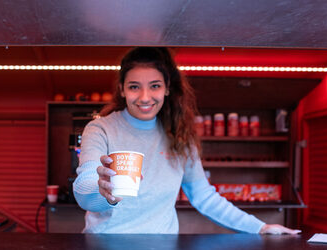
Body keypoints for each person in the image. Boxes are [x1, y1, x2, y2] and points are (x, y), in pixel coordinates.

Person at [73, 47, 301, 234]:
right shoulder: (100, 128)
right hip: (105, 243)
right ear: (122, 90)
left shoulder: (179, 134)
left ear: (167, 89)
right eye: (134, 87)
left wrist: (260, 227)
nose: (144, 97)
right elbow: (85, 190)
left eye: (155, 86)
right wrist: (103, 192)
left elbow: (204, 196)